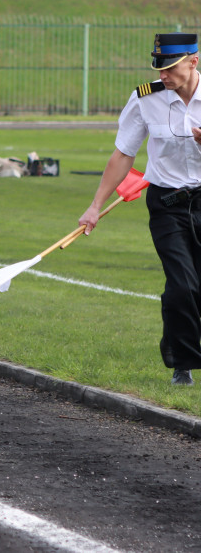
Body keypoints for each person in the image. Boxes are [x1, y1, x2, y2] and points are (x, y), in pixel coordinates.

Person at [78, 32, 201, 386]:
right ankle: (184, 363)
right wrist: (95, 206)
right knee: (182, 285)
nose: (163, 75)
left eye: (172, 67)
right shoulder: (145, 98)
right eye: (160, 67)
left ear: (193, 61)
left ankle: (176, 343)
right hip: (167, 204)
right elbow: (123, 154)